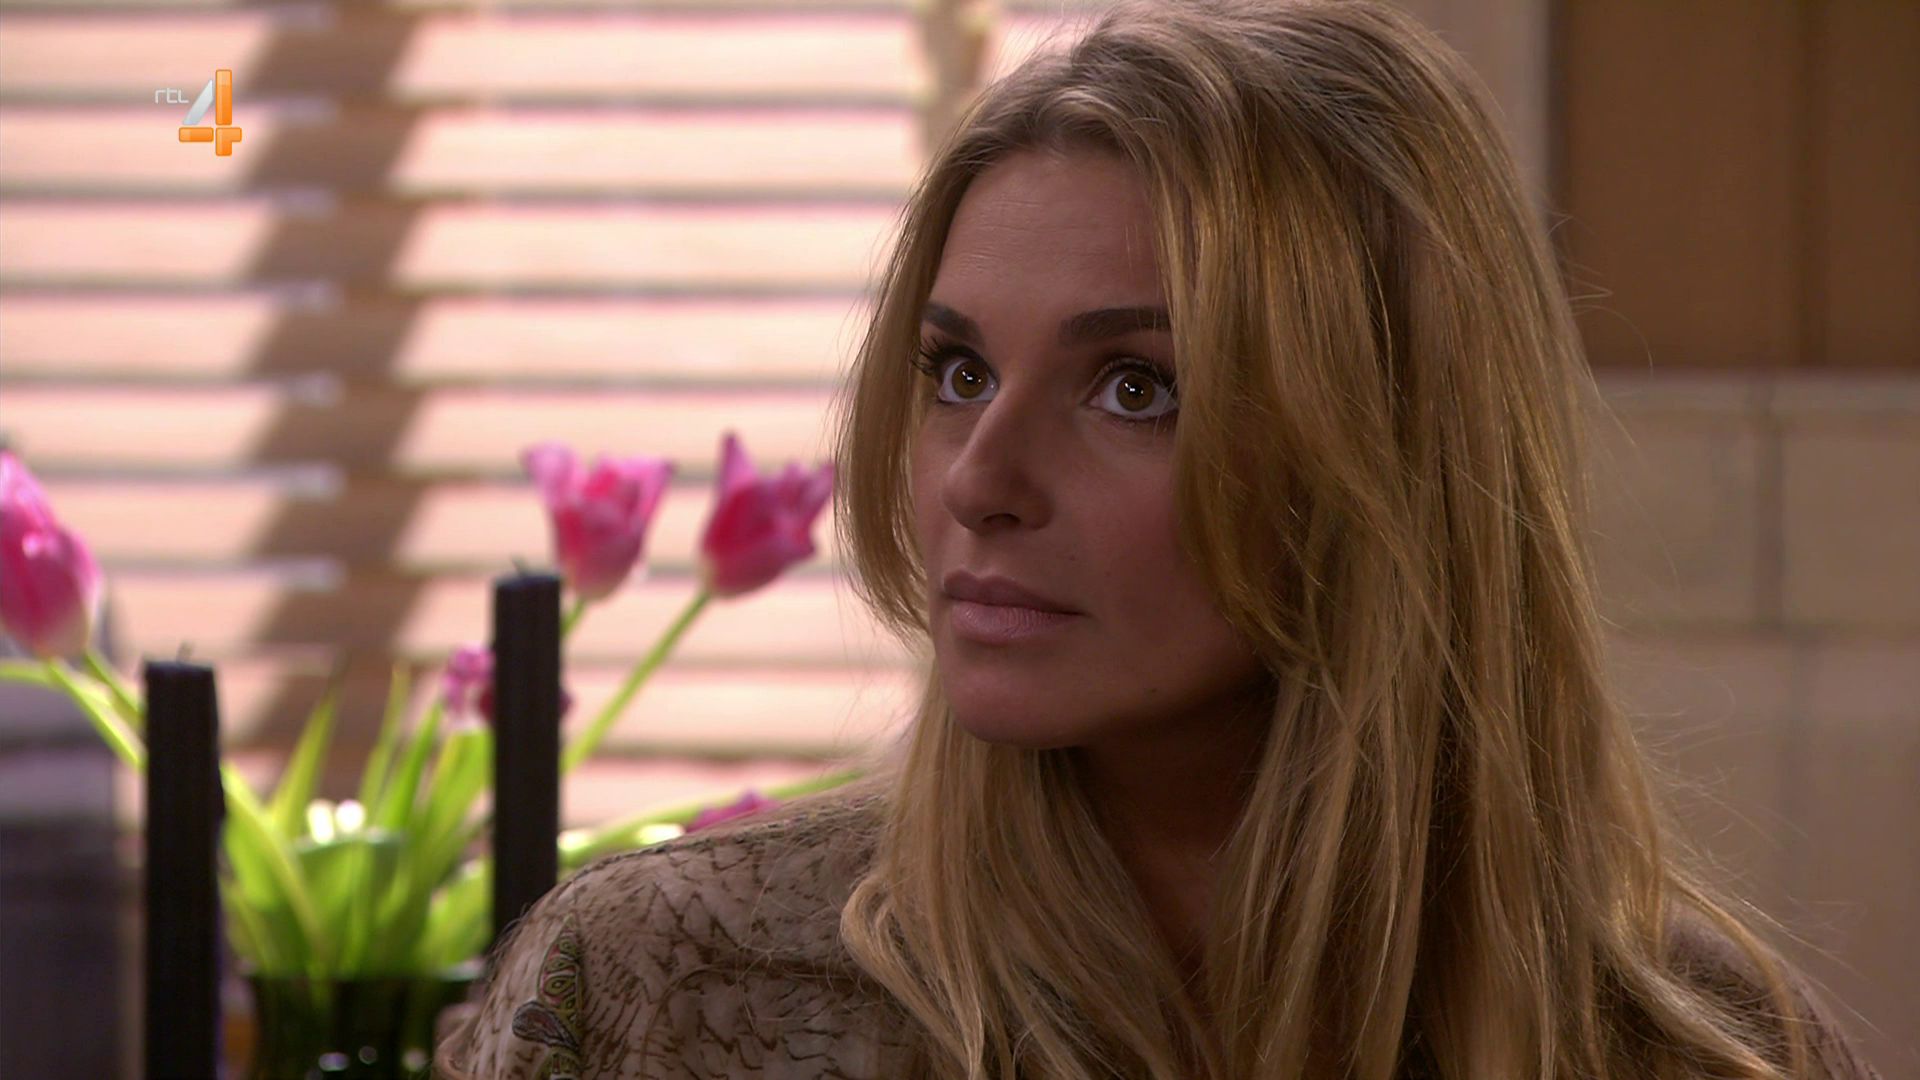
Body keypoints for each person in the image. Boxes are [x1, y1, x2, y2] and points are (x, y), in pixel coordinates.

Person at [433, 1, 1886, 1076]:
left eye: (1136, 388)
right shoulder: (663, 994)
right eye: (958, 372)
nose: (981, 480)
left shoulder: (1701, 1050)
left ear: (1382, 463)